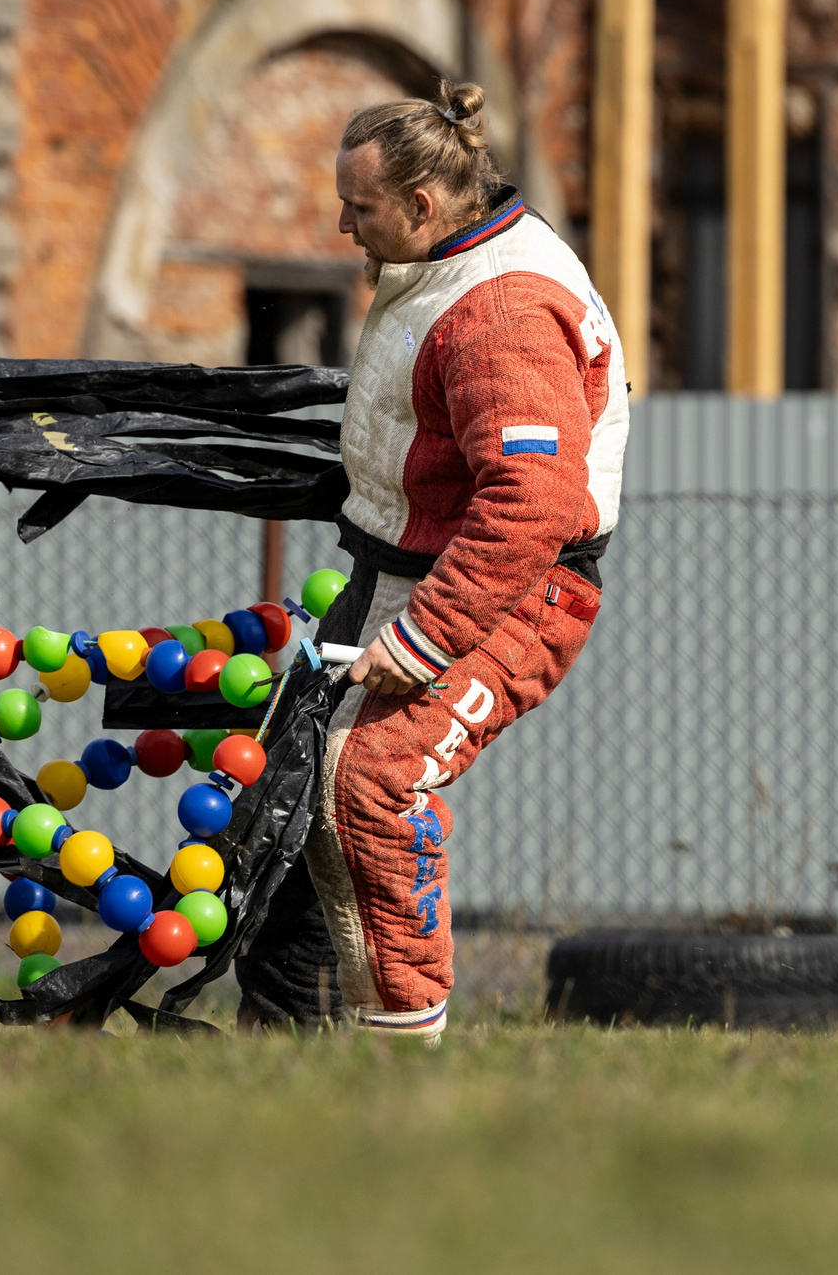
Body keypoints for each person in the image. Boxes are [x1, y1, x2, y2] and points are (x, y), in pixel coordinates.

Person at [234, 81, 628, 1039]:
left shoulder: (503, 312)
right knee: (288, 797)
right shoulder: (448, 260)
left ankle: (401, 1051)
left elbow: (533, 504)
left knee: (371, 778)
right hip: (407, 568)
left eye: (358, 208)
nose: (341, 225)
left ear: (420, 205)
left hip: (513, 588)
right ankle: (281, 1044)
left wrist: (419, 641)